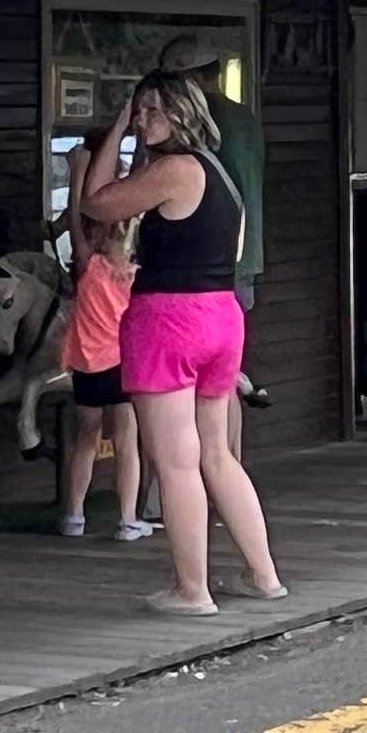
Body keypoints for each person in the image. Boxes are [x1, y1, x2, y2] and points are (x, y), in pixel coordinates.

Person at [70, 70, 283, 618]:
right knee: (216, 451)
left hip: (169, 320)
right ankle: (263, 575)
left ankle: (193, 589)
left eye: (150, 110)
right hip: (222, 316)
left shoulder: (173, 169)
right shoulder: (220, 172)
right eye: (137, 111)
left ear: (180, 112)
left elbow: (96, 204)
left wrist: (113, 133)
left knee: (177, 460)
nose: (142, 119)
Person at [53, 180, 150, 543]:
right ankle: (127, 520)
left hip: (86, 365)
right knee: (127, 439)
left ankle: (73, 516)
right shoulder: (136, 277)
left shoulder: (88, 267)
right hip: (123, 363)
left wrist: (78, 173)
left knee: (85, 438)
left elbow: (77, 223)